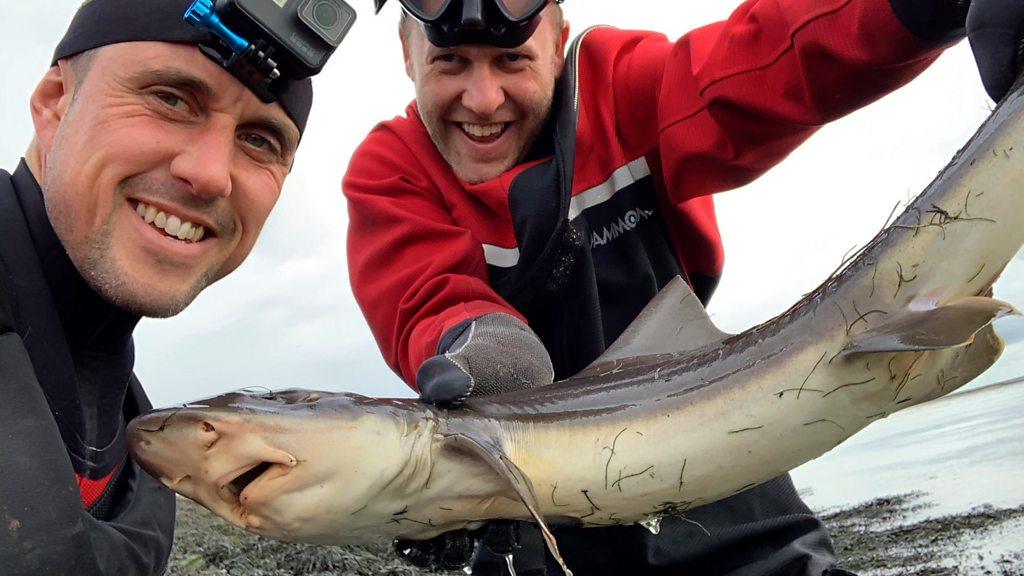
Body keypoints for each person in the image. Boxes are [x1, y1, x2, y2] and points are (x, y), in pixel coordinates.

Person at [344, 0, 1024, 574]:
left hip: (716, 459)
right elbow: (427, 296)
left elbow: (769, 62)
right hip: (528, 509)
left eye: (512, 61)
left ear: (556, 42)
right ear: (408, 56)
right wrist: (485, 360)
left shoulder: (617, 93)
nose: (483, 99)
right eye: (450, 63)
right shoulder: (391, 171)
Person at [0, 0, 341, 573]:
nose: (210, 174)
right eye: (171, 98)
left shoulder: (148, 467)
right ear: (55, 104)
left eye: (260, 140)